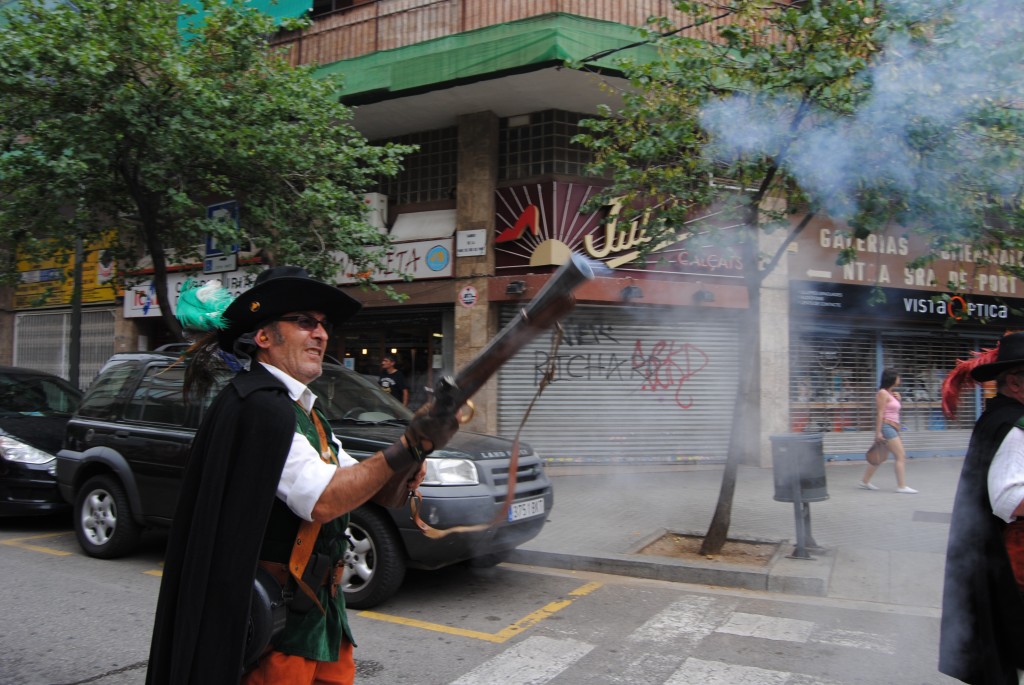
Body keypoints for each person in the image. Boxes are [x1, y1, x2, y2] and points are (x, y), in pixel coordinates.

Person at [145, 266, 459, 685]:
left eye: (324, 325)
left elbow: (369, 489)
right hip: (279, 623)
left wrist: (412, 457)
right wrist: (405, 447)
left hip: (318, 611)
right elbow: (324, 500)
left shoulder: (304, 412)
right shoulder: (261, 407)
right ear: (264, 336)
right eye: (305, 322)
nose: (321, 334)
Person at [938, 332, 1024, 684]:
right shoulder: (1014, 426)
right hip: (1011, 565)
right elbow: (1008, 498)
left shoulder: (1000, 417)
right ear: (1015, 382)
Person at [859, 367, 917, 493]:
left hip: (894, 427)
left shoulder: (892, 394)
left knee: (880, 457)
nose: (899, 379)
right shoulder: (882, 393)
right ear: (892, 378)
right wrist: (878, 432)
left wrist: (899, 399)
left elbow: (895, 411)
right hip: (887, 426)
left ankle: (864, 481)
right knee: (900, 455)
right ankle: (901, 486)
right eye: (898, 377)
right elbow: (880, 413)